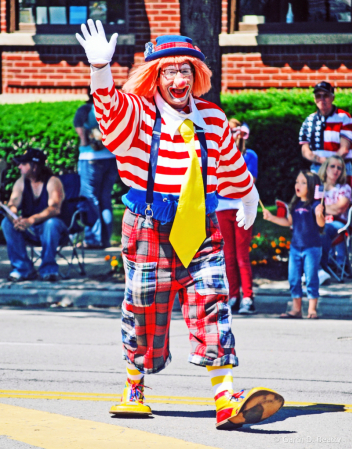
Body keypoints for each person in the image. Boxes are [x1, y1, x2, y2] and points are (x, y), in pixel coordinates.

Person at [75, 19, 284, 430]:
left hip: (201, 226)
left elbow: (230, 163)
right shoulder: (139, 111)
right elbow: (109, 109)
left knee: (213, 300)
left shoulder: (210, 116)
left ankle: (226, 396)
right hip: (149, 224)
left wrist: (247, 195)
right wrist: (101, 70)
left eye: (186, 69)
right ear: (156, 75)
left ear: (197, 75)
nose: (178, 77)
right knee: (143, 307)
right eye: (169, 70)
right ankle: (134, 386)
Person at [263, 171, 325, 319]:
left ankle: (312, 309)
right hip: (296, 247)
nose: (298, 185)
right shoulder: (295, 204)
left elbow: (321, 224)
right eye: (297, 182)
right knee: (293, 278)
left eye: (303, 182)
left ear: (311, 186)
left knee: (311, 278)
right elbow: (288, 222)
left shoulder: (316, 205)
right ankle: (296, 309)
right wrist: (271, 218)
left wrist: (319, 214)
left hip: (312, 248)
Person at [1, 148, 67, 282]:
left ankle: (49, 270)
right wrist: (14, 217)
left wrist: (31, 220)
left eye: (23, 164)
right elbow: (13, 204)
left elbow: (54, 209)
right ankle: (22, 269)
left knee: (51, 223)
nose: (19, 166)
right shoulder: (21, 182)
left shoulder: (53, 181)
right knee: (6, 224)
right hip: (29, 228)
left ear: (35, 166)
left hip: (50, 228)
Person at [216, 119, 258, 315]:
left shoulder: (250, 156)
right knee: (228, 255)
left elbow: (249, 182)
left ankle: (248, 297)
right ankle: (233, 296)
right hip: (222, 206)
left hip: (242, 206)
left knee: (242, 255)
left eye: (235, 132)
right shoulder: (219, 155)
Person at [74, 86, 118, 248]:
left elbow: (79, 128)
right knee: (105, 198)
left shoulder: (86, 108)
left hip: (90, 158)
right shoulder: (112, 109)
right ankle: (105, 239)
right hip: (111, 158)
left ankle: (93, 240)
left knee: (90, 198)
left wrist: (84, 142)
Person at [299, 81, 352, 176]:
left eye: (325, 95)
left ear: (332, 98)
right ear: (314, 99)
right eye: (318, 96)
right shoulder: (309, 120)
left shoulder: (344, 117)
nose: (321, 99)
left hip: (340, 168)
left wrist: (329, 164)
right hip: (317, 169)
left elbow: (344, 149)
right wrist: (319, 160)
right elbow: (305, 149)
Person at [318, 155, 351, 273]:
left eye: (339, 168)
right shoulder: (317, 187)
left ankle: (321, 266)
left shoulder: (344, 188)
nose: (336, 170)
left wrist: (319, 208)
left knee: (324, 228)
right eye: (332, 166)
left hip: (338, 223)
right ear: (325, 168)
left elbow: (339, 210)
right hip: (318, 221)